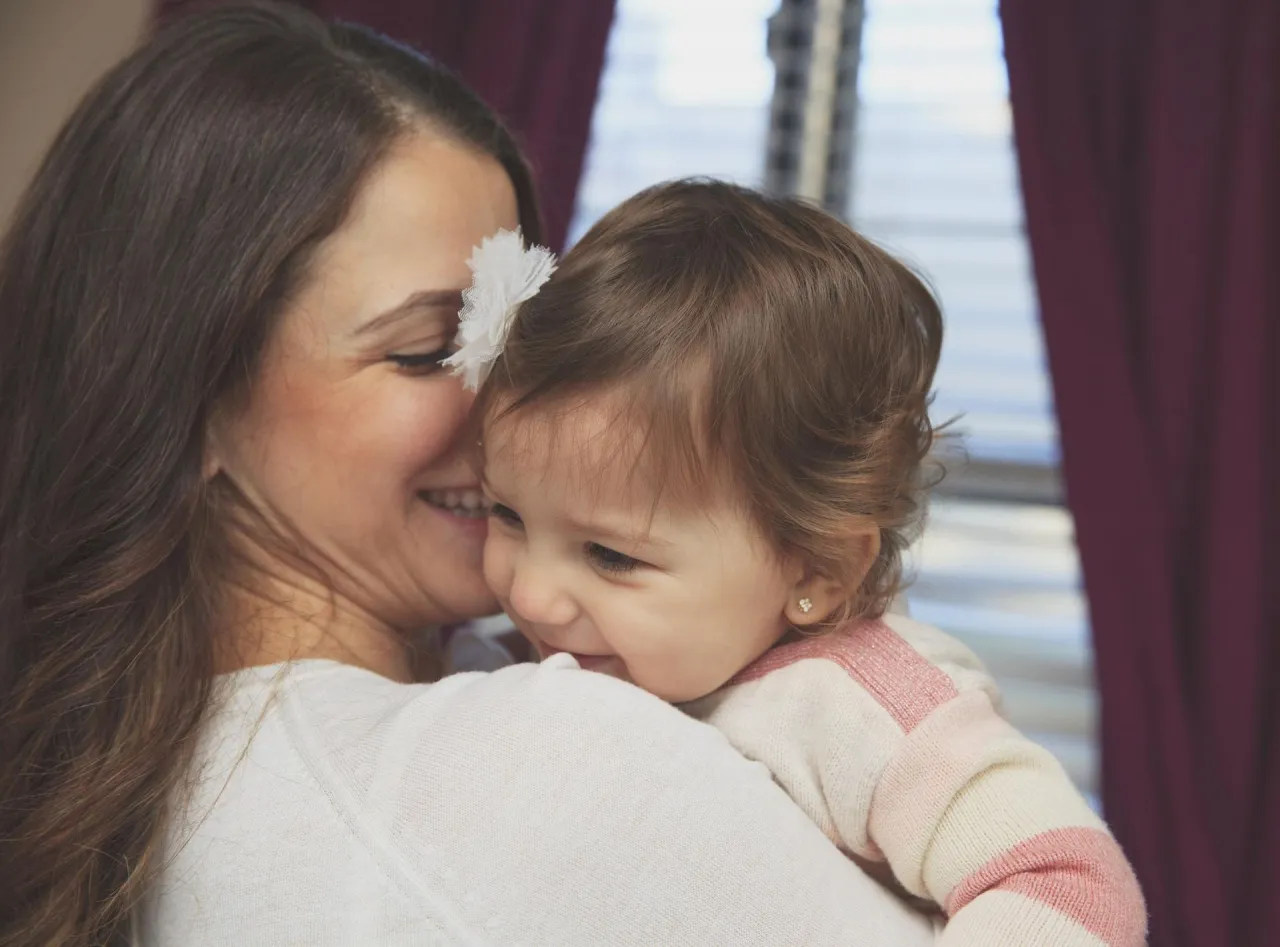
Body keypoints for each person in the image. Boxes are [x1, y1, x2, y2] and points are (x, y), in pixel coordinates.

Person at [0, 5, 945, 947]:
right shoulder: (533, 766)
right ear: (192, 399)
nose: (507, 408)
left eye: (508, 331)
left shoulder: (149, 766)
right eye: (421, 351)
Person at [463, 181, 1149, 946]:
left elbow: (1069, 882)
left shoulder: (862, 708)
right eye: (508, 514)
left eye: (611, 555)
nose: (530, 591)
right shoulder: (545, 657)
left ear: (816, 572)